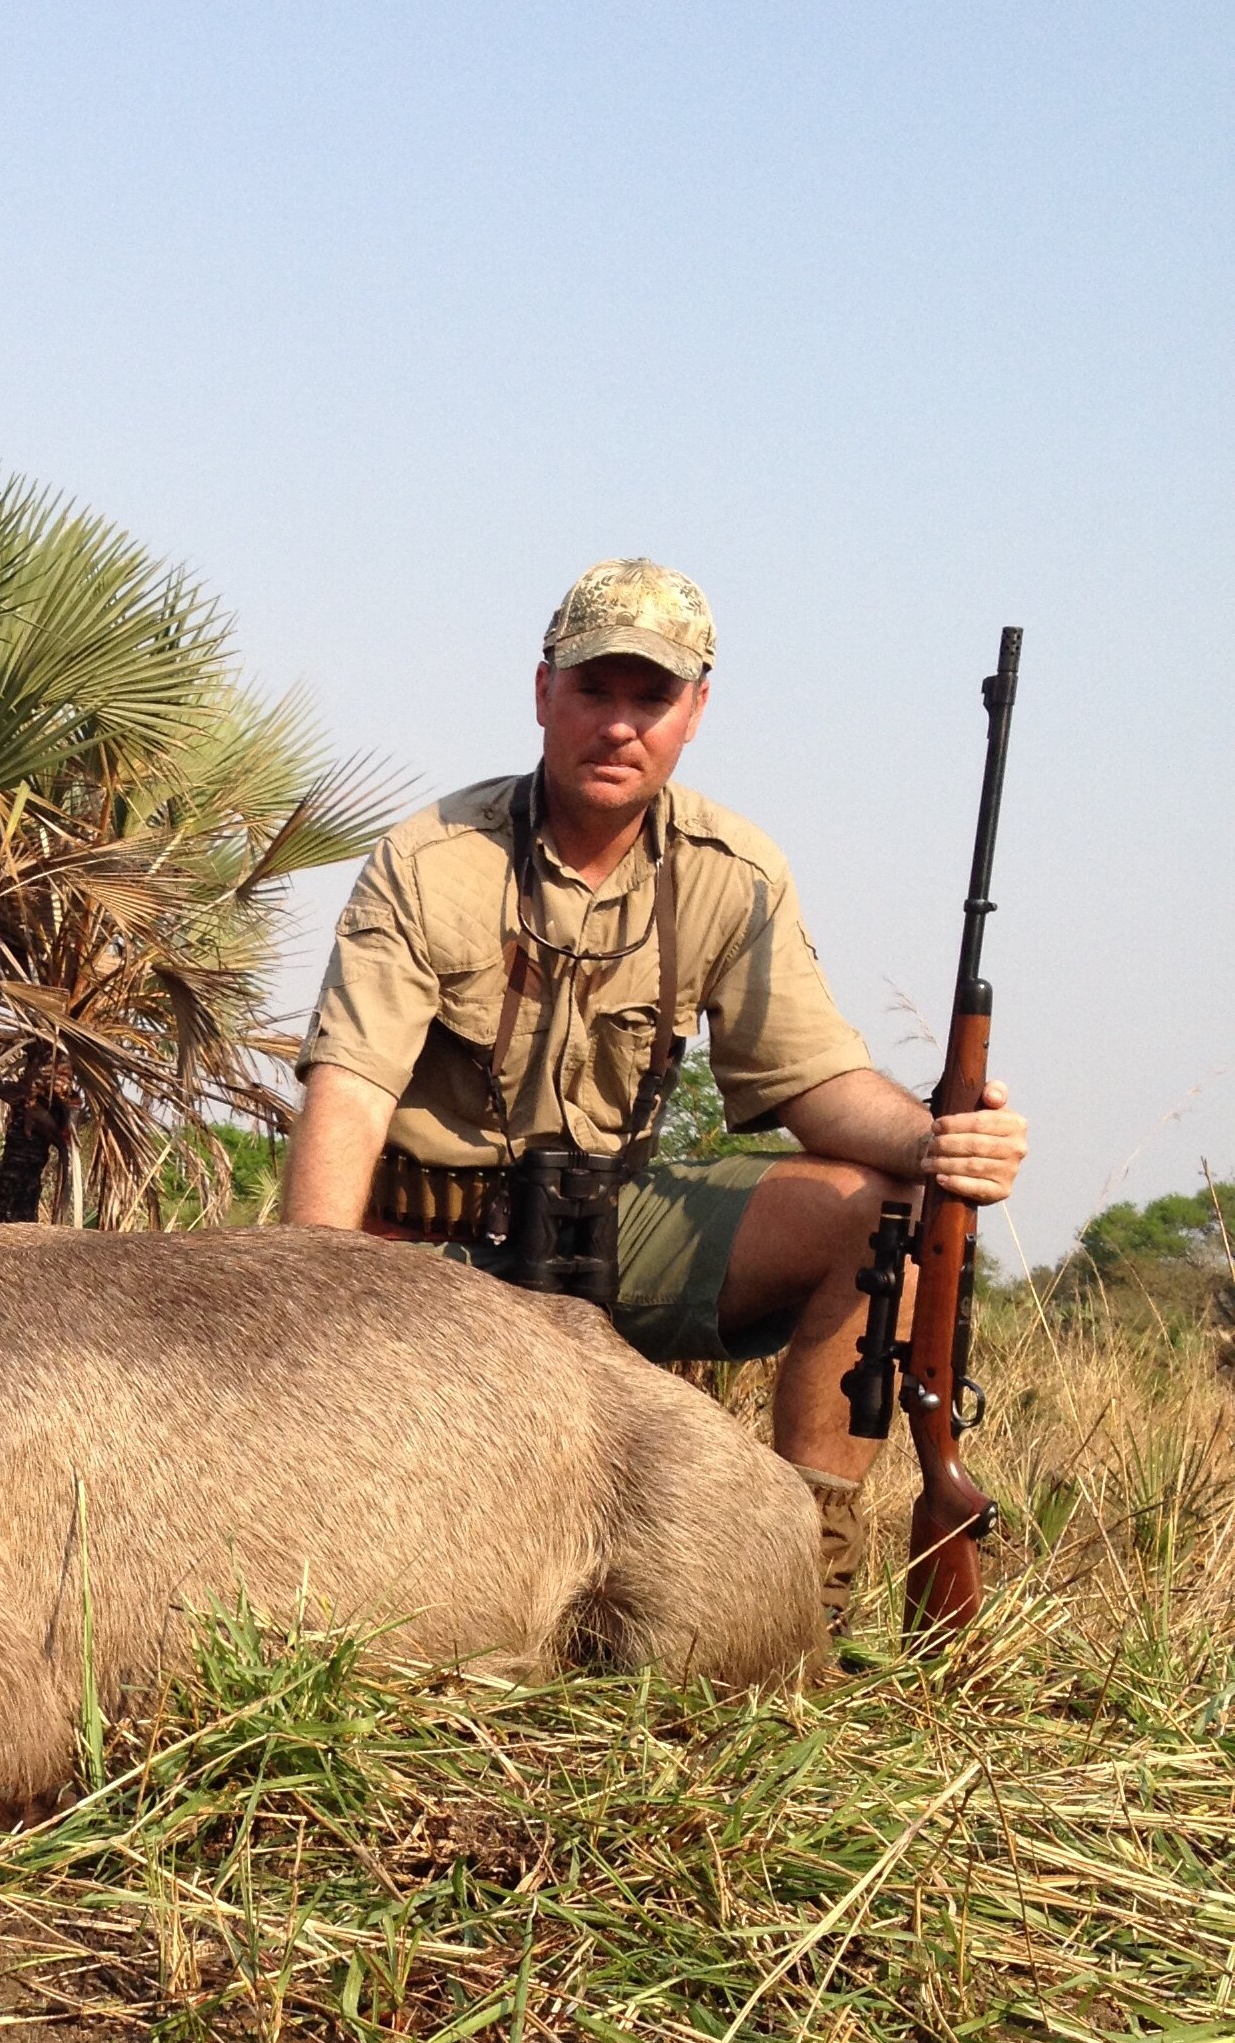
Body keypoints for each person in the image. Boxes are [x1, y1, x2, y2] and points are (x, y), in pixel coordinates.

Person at [280, 558, 1030, 1618]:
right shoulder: (429, 858)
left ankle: (803, 1591)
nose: (619, 725)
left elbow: (817, 1082)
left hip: (608, 1234)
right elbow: (349, 1091)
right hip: (429, 1254)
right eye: (594, 690)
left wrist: (937, 1143)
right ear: (544, 693)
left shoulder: (735, 868)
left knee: (881, 1219)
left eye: (652, 698)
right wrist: (314, 1296)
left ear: (696, 712)